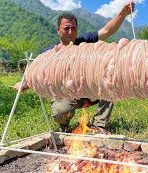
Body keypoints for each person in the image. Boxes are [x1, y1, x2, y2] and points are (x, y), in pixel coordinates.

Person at [15, 1, 135, 134]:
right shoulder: (50, 53)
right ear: (58, 30)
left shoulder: (84, 41)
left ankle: (99, 125)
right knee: (62, 111)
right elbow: (36, 71)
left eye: (73, 28)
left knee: (111, 83)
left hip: (89, 91)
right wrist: (23, 83)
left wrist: (122, 14)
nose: (70, 32)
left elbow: (107, 30)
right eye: (66, 28)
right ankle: (64, 126)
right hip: (66, 94)